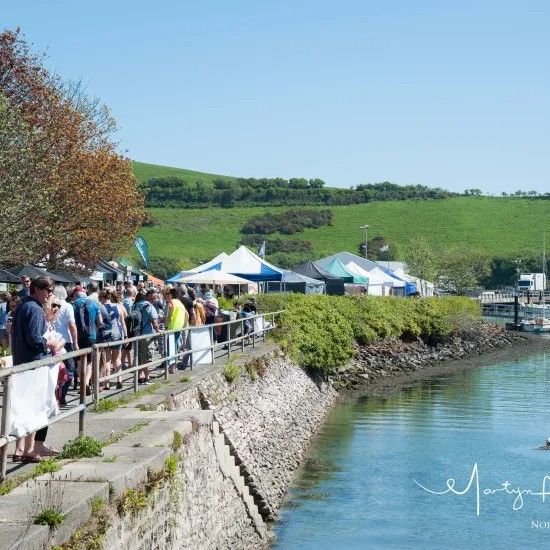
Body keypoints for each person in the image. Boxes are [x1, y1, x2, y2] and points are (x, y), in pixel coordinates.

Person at [11, 276, 64, 462]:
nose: (50, 295)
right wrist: (50, 343)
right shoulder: (34, 309)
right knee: (34, 409)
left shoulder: (22, 306)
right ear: (37, 289)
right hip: (33, 364)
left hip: (22, 362)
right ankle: (28, 450)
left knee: (23, 409)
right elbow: (34, 339)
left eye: (52, 291)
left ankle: (22, 450)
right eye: (48, 291)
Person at [72, 286, 103, 395]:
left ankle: (82, 382)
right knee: (89, 362)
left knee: (79, 361)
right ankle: (86, 382)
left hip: (78, 337)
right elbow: (100, 321)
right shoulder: (94, 304)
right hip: (92, 336)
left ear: (75, 295)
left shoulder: (73, 305)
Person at [52, 285, 78, 405]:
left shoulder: (50, 305)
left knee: (54, 370)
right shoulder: (68, 306)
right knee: (69, 370)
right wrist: (75, 342)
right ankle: (61, 395)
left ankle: (55, 395)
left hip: (52, 341)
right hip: (65, 341)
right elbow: (72, 325)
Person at [134, 290, 160, 384]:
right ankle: (147, 377)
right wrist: (158, 331)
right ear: (147, 296)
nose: (155, 299)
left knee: (139, 356)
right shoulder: (149, 306)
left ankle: (138, 377)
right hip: (146, 335)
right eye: (154, 297)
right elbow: (154, 321)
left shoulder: (135, 305)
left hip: (136, 335)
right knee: (146, 357)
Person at [164, 287, 188, 372]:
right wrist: (184, 325)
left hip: (171, 328)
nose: (166, 296)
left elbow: (169, 315)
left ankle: (171, 367)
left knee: (170, 347)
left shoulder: (171, 302)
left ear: (171, 294)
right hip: (178, 327)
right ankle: (173, 366)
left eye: (167, 294)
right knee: (175, 347)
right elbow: (187, 314)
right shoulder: (180, 303)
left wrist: (166, 324)